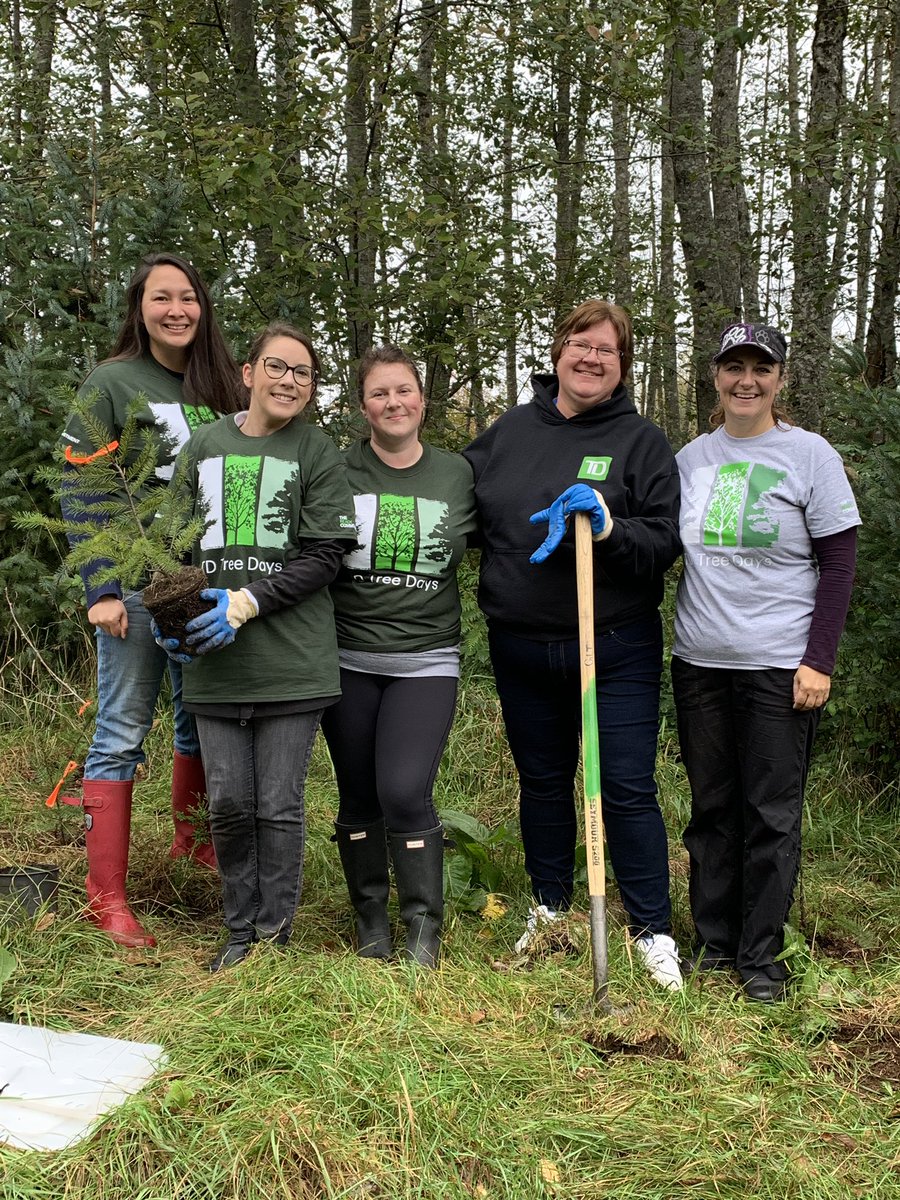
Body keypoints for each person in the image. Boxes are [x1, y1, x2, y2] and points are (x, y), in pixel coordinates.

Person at [463, 299, 684, 989]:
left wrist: (613, 527)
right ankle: (551, 907)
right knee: (544, 786)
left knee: (622, 786)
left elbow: (664, 541)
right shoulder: (506, 435)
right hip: (522, 646)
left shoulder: (641, 442)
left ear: (622, 367)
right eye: (580, 345)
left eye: (607, 351)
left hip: (614, 645)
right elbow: (459, 510)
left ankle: (652, 931)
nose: (591, 359)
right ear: (558, 351)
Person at [156, 321, 357, 971]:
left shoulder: (315, 452)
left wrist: (247, 602)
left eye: (303, 373)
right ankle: (237, 930)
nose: (289, 381)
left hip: (292, 662)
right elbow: (176, 541)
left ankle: (273, 937)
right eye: (278, 367)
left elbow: (327, 554)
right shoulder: (206, 446)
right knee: (230, 803)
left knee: (277, 804)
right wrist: (167, 611)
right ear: (248, 373)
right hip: (214, 664)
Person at [59, 252, 245, 948]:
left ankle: (193, 846)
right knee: (121, 730)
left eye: (188, 298)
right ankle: (105, 896)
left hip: (203, 587)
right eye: (161, 297)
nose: (177, 310)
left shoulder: (221, 384)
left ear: (204, 307)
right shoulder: (110, 382)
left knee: (198, 722)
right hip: (135, 590)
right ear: (139, 306)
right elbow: (85, 486)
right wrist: (102, 588)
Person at [672, 322, 860, 1003]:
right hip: (699, 660)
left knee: (770, 813)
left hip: (780, 666)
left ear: (780, 379)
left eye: (760, 367)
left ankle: (761, 958)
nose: (745, 379)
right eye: (733, 367)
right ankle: (714, 946)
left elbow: (839, 565)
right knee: (712, 808)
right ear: (716, 378)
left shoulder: (809, 456)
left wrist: (819, 660)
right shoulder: (692, 458)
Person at [321, 345, 477, 968]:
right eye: (380, 393)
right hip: (346, 657)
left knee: (405, 788)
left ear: (422, 398)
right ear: (363, 406)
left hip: (426, 658)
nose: (394, 403)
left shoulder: (457, 474)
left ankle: (422, 931)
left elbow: (507, 537)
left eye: (403, 390)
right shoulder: (334, 470)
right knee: (357, 793)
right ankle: (371, 924)